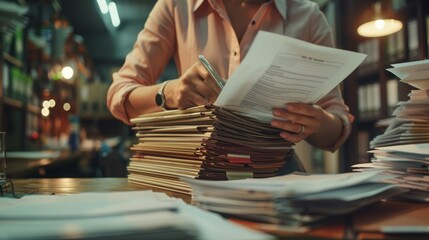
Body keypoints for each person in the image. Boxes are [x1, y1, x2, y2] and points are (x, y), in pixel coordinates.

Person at [107, 0, 354, 161]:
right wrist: (169, 92)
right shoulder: (176, 6)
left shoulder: (308, 17)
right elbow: (120, 94)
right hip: (197, 169)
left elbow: (337, 127)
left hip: (273, 173)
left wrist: (317, 121)